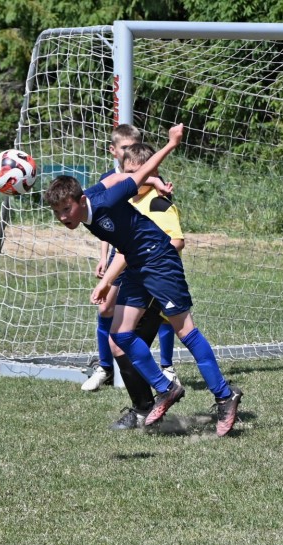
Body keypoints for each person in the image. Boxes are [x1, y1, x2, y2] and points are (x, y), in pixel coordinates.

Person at [44, 123, 244, 436]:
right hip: (136, 264)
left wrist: (171, 144)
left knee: (185, 331)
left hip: (159, 259)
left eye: (66, 209)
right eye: (57, 212)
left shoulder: (107, 202)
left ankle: (224, 395)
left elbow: (137, 175)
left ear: (79, 201)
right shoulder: (90, 199)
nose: (63, 217)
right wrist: (106, 282)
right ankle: (166, 388)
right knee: (120, 334)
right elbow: (115, 177)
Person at [83, 125, 179, 391]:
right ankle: (105, 367)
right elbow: (104, 222)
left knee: (164, 311)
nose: (130, 151)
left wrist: (157, 182)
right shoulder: (108, 179)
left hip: (145, 254)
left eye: (134, 146)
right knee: (105, 309)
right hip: (120, 253)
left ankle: (166, 367)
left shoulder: (151, 180)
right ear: (113, 150)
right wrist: (103, 256)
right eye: (125, 147)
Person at [103, 142, 186, 430]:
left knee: (121, 343)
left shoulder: (157, 203)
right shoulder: (128, 203)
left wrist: (148, 262)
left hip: (153, 285)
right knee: (121, 344)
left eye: (137, 172)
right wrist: (108, 279)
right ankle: (148, 405)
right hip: (136, 281)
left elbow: (176, 241)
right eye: (127, 173)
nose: (132, 178)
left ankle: (152, 401)